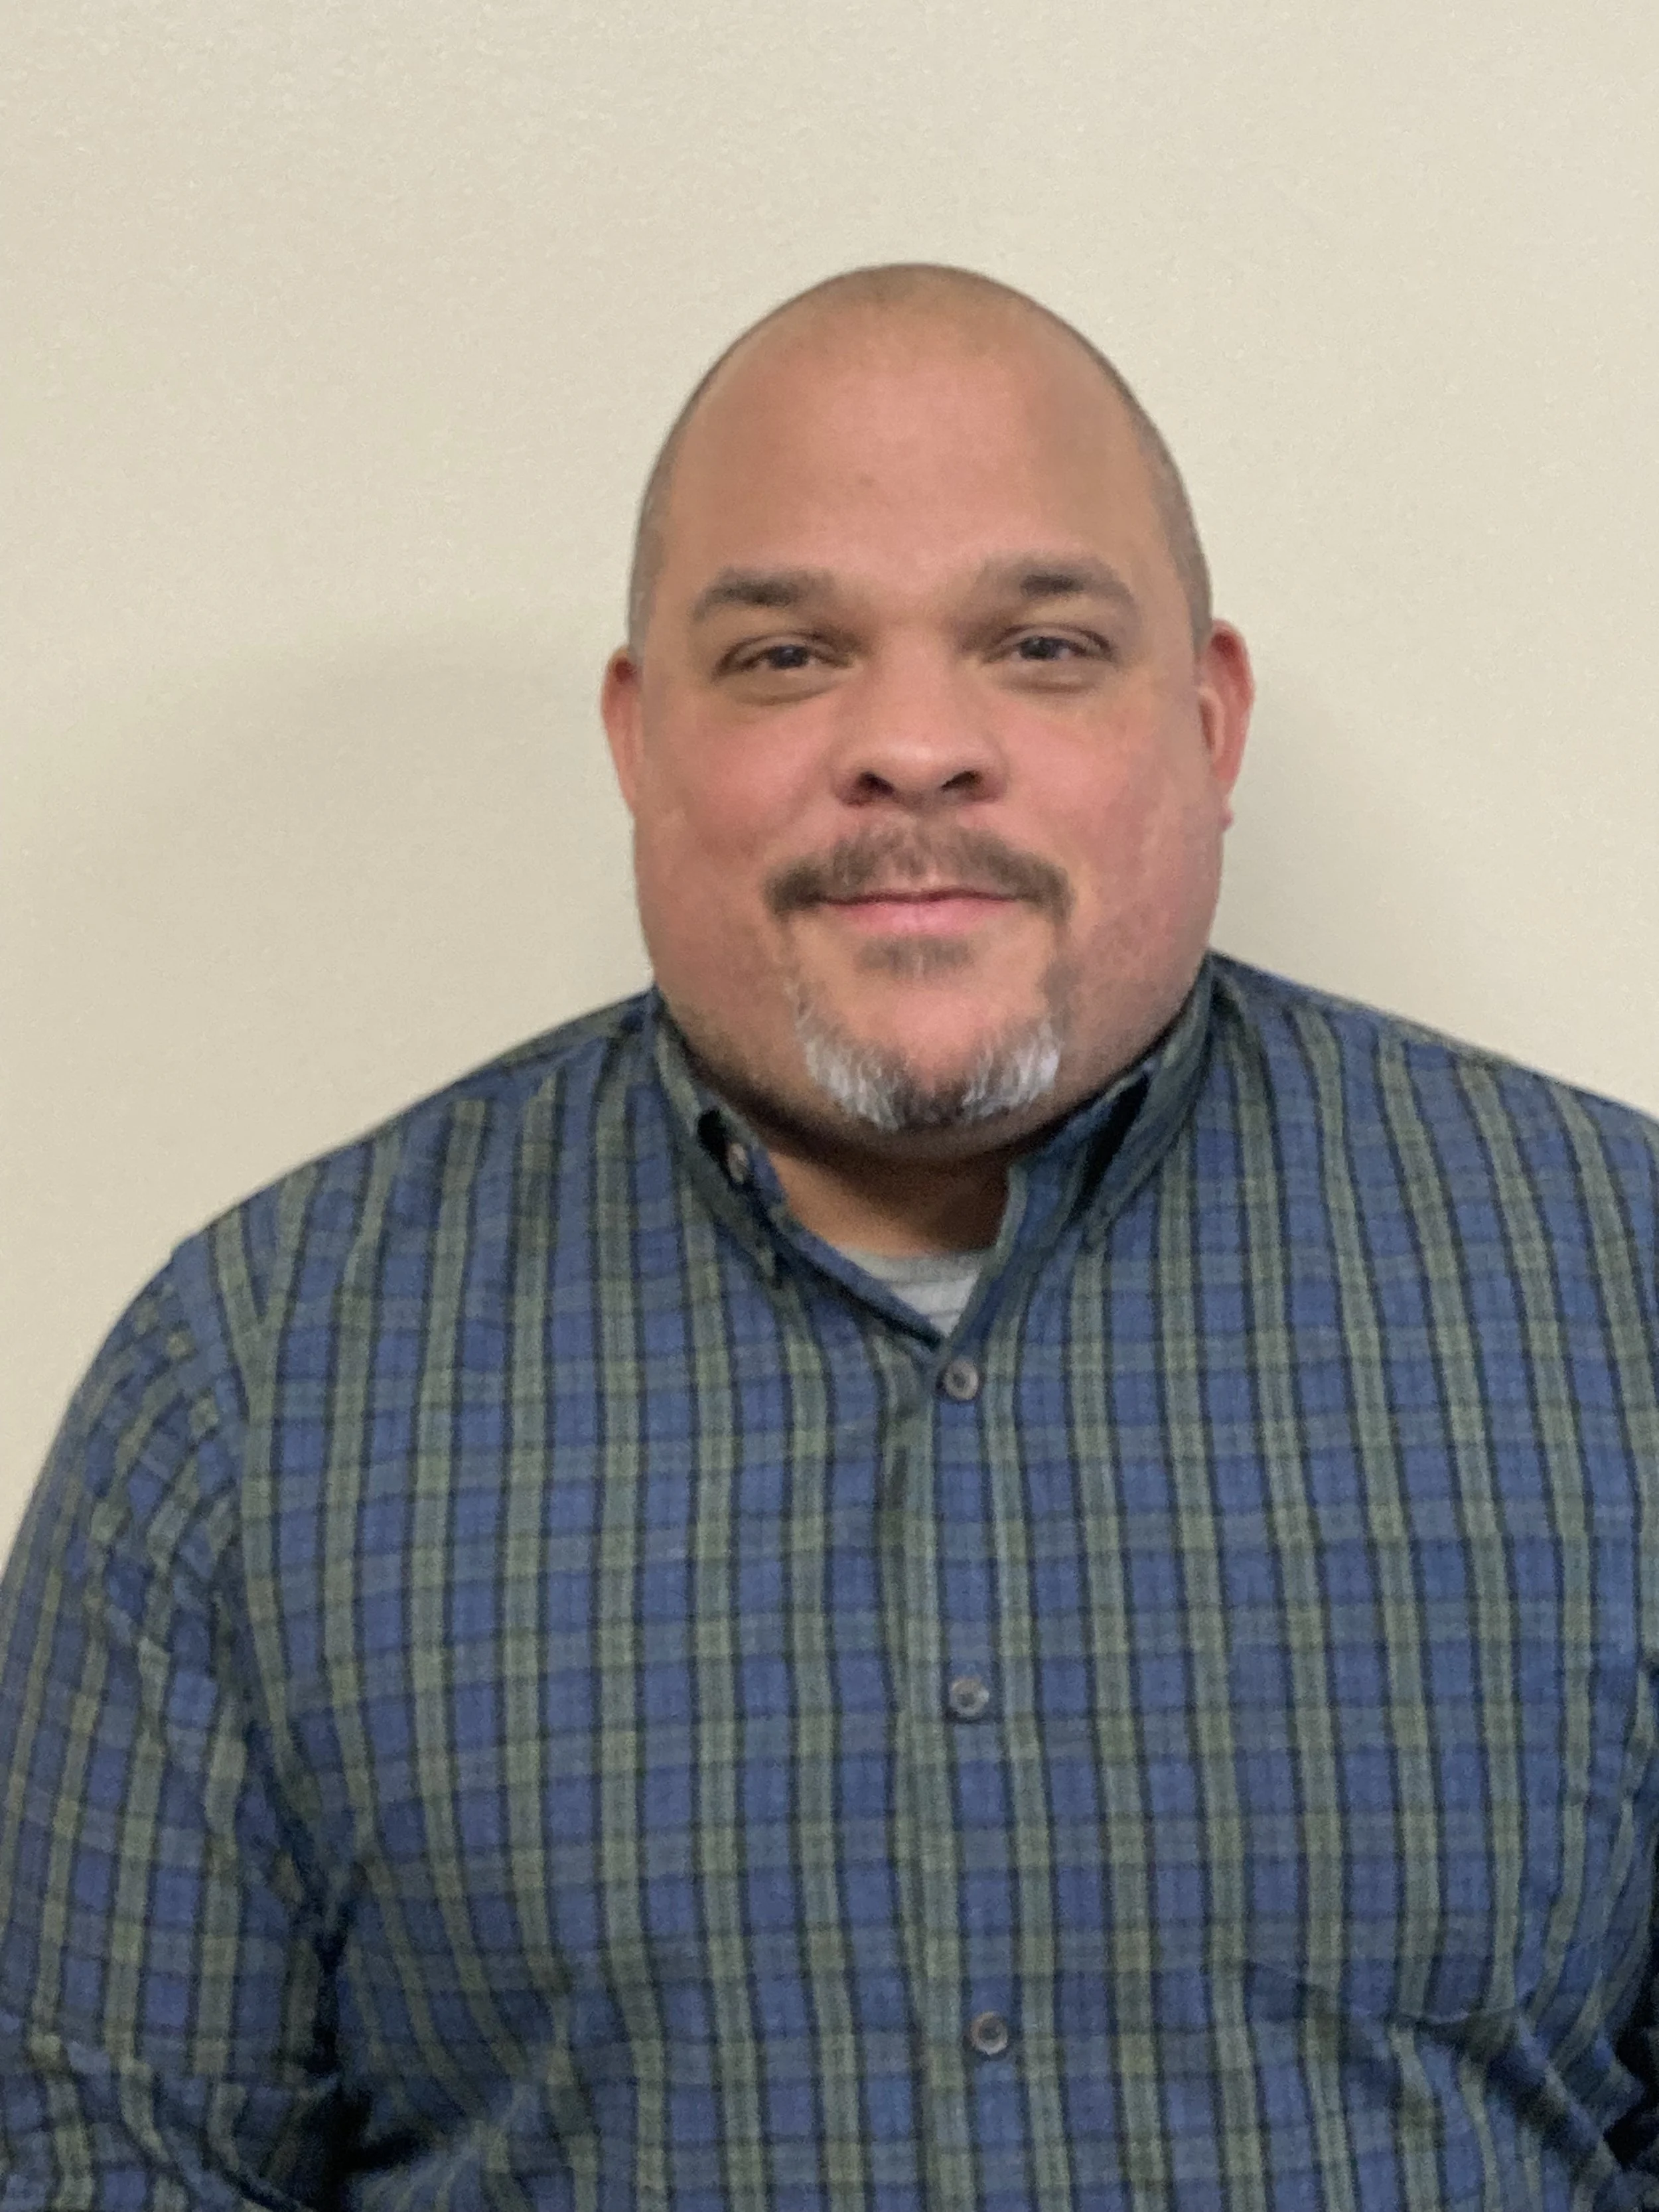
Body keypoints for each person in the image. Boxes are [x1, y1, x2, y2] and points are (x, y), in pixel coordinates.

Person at [2, 262, 1657, 2212]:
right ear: (638, 739)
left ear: (1207, 722)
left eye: (1038, 644)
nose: (913, 748)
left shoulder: (1615, 1299)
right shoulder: (248, 1393)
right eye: (788, 656)